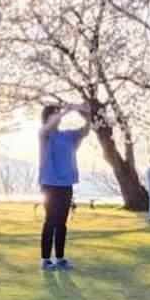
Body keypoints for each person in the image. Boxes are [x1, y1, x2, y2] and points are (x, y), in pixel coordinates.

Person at [38, 101, 93, 268]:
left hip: (66, 185)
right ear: (47, 117)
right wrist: (65, 111)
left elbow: (85, 131)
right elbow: (49, 126)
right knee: (51, 220)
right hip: (49, 184)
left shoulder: (67, 136)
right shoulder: (44, 134)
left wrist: (87, 116)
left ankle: (60, 258)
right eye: (54, 114)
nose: (58, 117)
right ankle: (45, 259)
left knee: (62, 222)